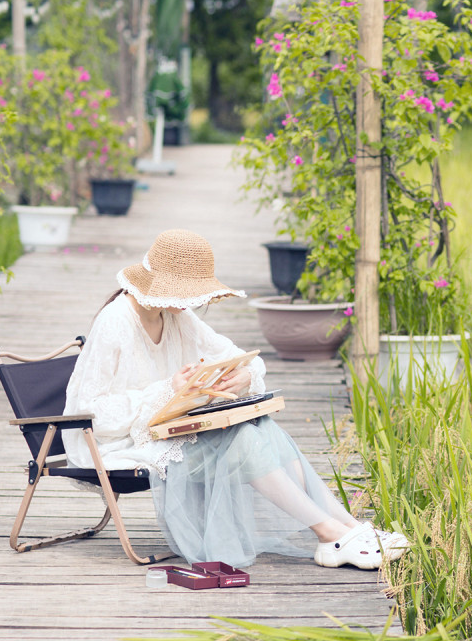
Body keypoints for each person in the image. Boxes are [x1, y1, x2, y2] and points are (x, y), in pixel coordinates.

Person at [63, 229, 407, 570]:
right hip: (116, 443)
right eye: (185, 295)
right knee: (243, 441)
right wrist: (168, 390)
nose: (191, 304)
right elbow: (92, 415)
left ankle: (347, 527)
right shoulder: (115, 322)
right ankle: (329, 532)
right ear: (159, 286)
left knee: (261, 425)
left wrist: (245, 377)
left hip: (166, 429)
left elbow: (243, 357)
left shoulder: (176, 315)